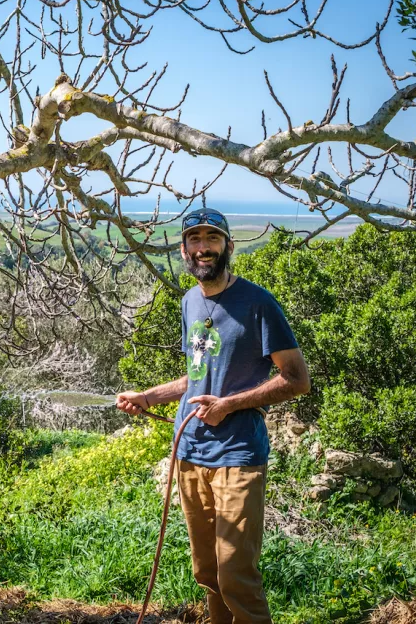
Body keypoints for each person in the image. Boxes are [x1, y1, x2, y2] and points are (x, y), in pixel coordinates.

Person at [117, 207, 310, 624]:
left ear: (228, 246)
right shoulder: (189, 301)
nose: (203, 248)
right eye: (195, 240)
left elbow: (296, 380)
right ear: (184, 249)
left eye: (212, 239)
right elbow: (197, 376)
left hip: (238, 457)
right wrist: (148, 397)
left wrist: (229, 405)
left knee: (236, 575)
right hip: (189, 454)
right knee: (207, 573)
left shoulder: (258, 303)